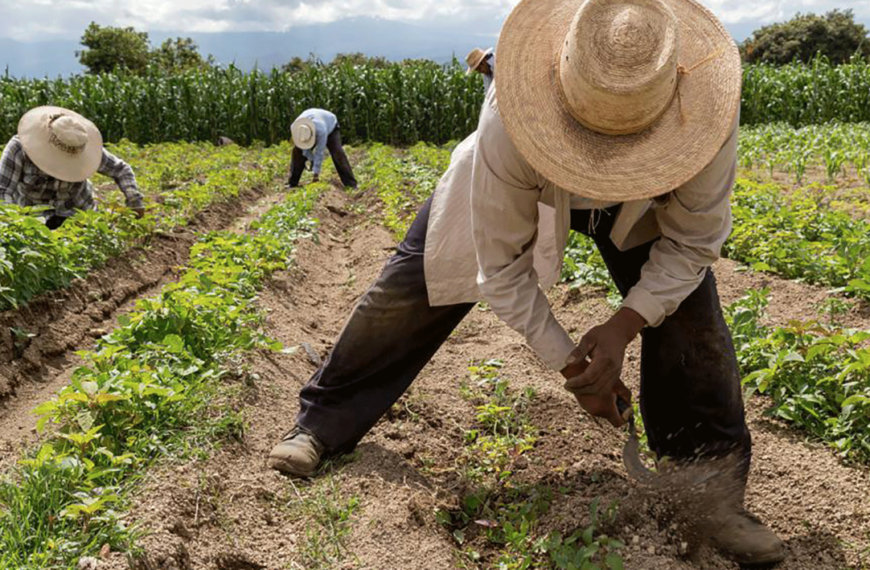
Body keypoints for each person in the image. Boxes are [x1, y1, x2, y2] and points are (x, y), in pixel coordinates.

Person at [270, 0, 785, 564]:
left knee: (692, 322)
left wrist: (623, 326)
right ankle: (321, 424)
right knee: (410, 292)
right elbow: (501, 268)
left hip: (647, 203)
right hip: (530, 181)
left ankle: (711, 497)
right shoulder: (511, 121)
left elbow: (692, 244)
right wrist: (572, 365)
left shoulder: (706, 112)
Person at [0, 106, 144, 229]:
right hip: (34, 219)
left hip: (79, 216)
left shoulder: (82, 147)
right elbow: (3, 190)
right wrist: (12, 224)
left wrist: (134, 201)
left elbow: (121, 170)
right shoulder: (20, 148)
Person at [288, 109, 358, 190]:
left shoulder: (321, 131)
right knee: (297, 152)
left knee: (337, 153)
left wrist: (316, 173)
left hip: (331, 126)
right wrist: (311, 159)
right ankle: (293, 183)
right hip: (314, 122)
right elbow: (304, 149)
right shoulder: (295, 128)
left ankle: (351, 184)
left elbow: (319, 152)